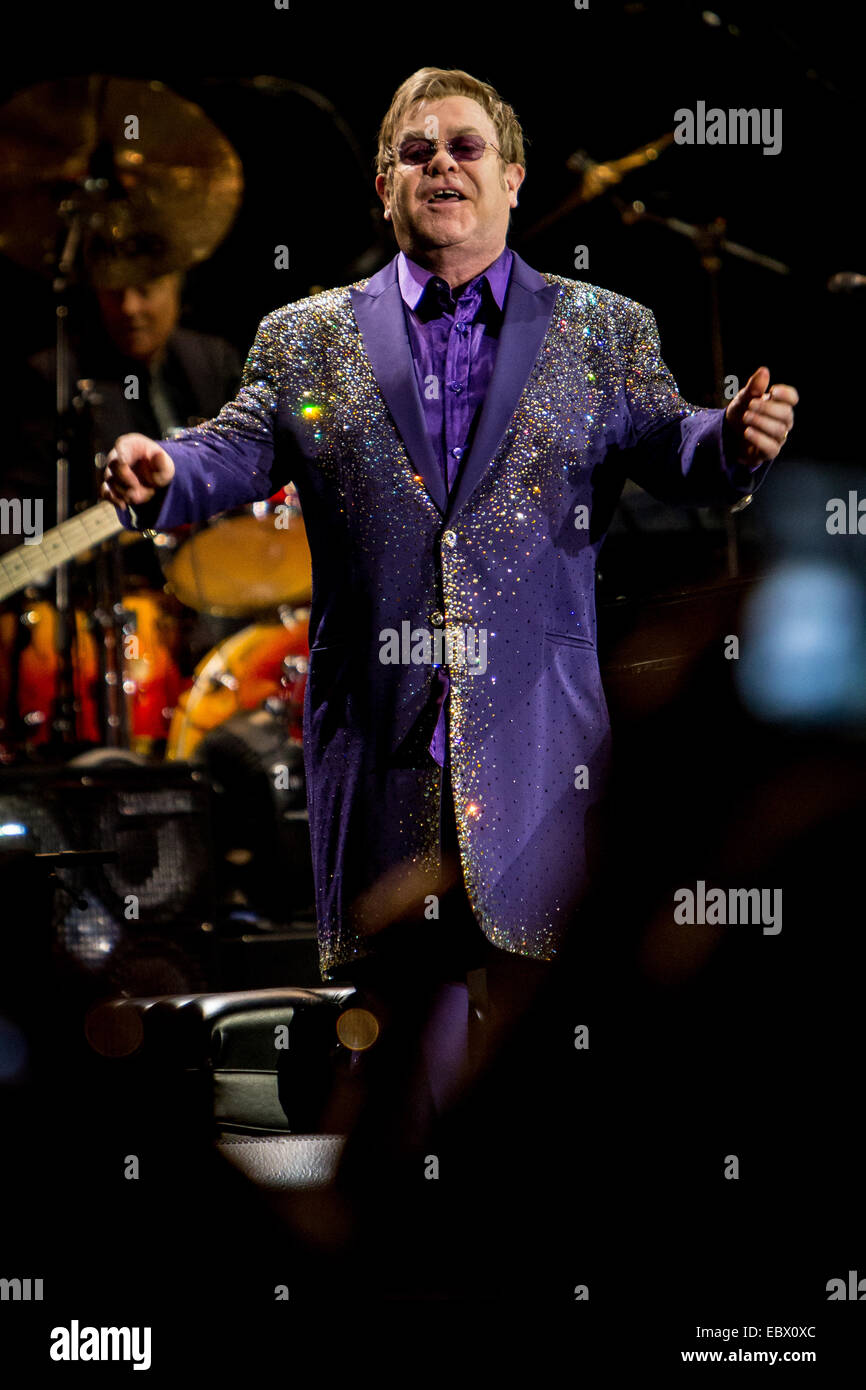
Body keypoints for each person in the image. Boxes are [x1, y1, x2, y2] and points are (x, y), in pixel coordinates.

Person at [101, 67, 797, 1154]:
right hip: (380, 740)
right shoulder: (303, 337)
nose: (442, 166)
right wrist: (161, 472)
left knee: (550, 1046)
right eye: (416, 151)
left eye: (466, 148)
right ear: (382, 185)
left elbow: (678, 444)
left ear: (512, 178)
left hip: (539, 740)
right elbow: (228, 449)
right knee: (397, 1057)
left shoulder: (601, 329)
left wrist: (734, 437)